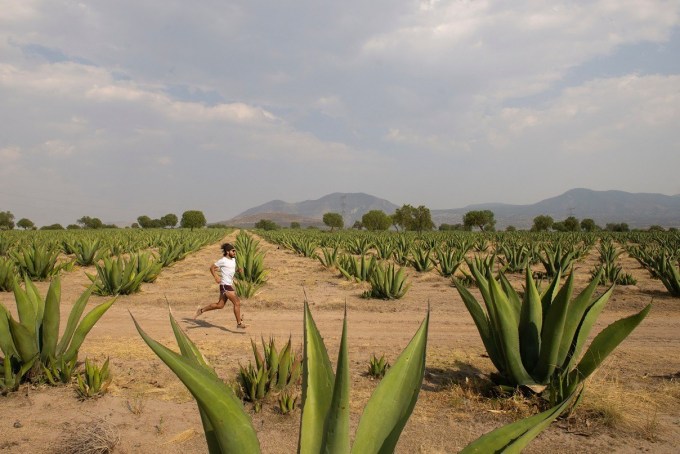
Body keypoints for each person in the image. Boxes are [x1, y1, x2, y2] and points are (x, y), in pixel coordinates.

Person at [195, 243, 246, 329]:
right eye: (233, 251)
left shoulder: (233, 260)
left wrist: (237, 270)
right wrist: (216, 277)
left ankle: (201, 310)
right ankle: (239, 323)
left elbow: (230, 270)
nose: (234, 252)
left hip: (228, 285)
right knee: (237, 302)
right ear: (227, 251)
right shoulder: (222, 260)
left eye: (235, 251)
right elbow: (211, 268)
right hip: (225, 285)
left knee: (220, 305)